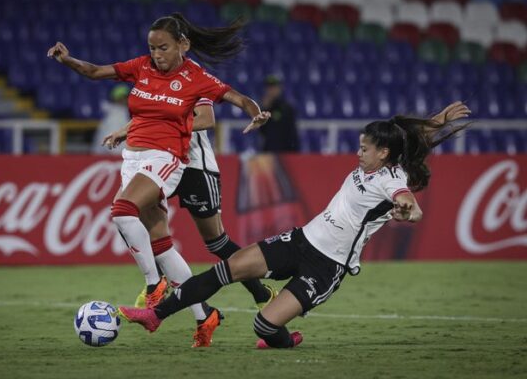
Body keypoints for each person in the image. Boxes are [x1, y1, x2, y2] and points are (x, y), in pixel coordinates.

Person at [117, 101, 471, 348]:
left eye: (365, 149)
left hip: (327, 265)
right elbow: (404, 135)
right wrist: (436, 122)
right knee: (226, 269)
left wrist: (408, 211)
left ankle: (285, 341)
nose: (358, 153)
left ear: (383, 154)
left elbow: (408, 201)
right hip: (301, 239)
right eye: (360, 146)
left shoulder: (390, 180)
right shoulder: (374, 164)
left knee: (265, 326)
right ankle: (156, 315)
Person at [47, 12, 270, 347]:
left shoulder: (196, 77)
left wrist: (256, 114)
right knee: (161, 242)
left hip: (186, 163)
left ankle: (164, 285)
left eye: (162, 48)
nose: (156, 54)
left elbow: (221, 108)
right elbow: (96, 73)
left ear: (183, 45)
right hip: (138, 158)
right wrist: (66, 60)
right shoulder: (144, 67)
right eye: (152, 48)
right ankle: (203, 315)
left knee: (211, 241)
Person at [129, 98, 277, 310]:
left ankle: (261, 294)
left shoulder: (193, 80)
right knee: (133, 215)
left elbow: (231, 103)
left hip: (195, 168)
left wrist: (256, 112)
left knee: (216, 242)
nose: (158, 62)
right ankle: (156, 284)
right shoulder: (150, 84)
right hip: (163, 163)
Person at [259, 74, 300, 153]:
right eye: (269, 88)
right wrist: (265, 109)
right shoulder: (264, 109)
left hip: (285, 153)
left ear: (279, 88)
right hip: (268, 152)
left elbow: (292, 133)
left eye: (273, 87)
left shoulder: (287, 108)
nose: (271, 90)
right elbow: (262, 131)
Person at [91, 84, 130, 155]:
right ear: (116, 98)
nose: (124, 100)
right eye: (122, 97)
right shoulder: (116, 114)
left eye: (126, 97)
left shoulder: (124, 111)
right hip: (110, 155)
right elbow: (111, 142)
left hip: (111, 154)